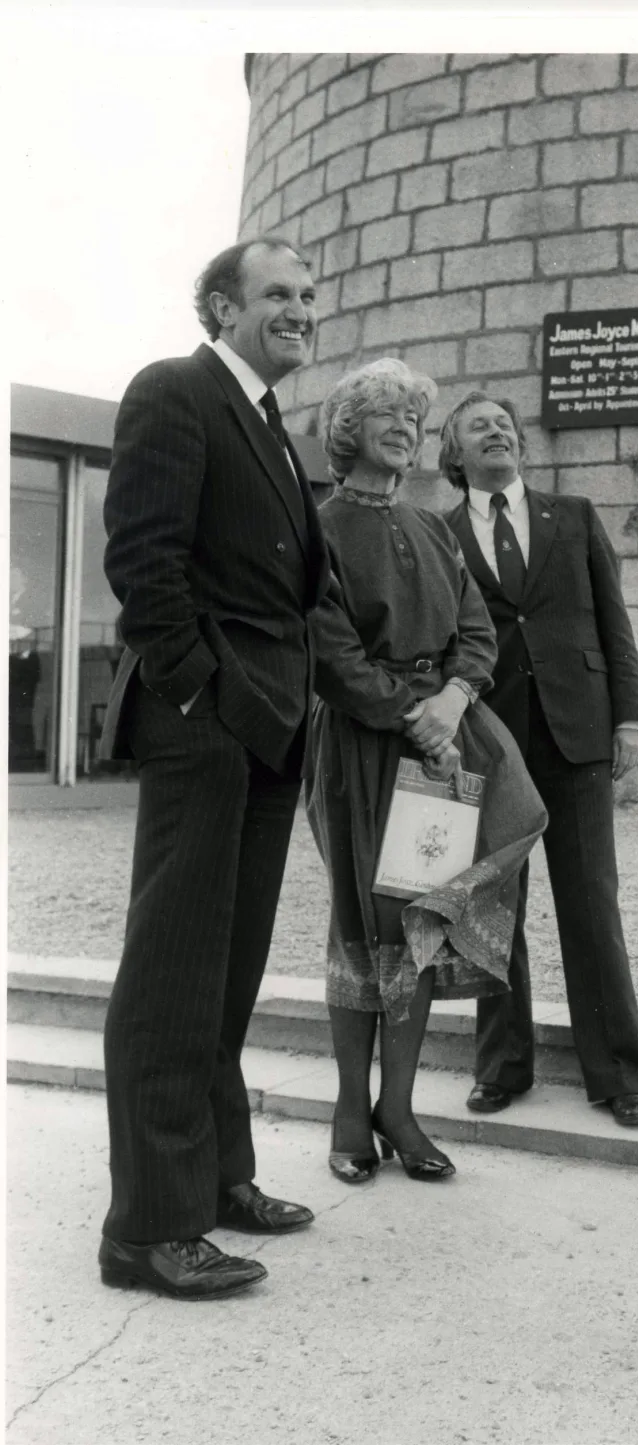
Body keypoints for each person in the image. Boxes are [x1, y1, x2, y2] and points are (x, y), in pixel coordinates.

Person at [97, 238, 329, 1300]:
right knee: (172, 976)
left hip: (271, 729)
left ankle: (219, 1176)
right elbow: (143, 564)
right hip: (210, 724)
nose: (300, 309)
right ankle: (149, 1226)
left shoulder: (276, 426)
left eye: (308, 297)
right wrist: (204, 696)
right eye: (278, 293)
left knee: (226, 976)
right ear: (222, 307)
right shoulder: (175, 392)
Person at [306, 360, 546, 1185]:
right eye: (387, 414)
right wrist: (412, 715)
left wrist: (451, 697)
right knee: (361, 922)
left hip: (439, 744)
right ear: (349, 430)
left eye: (414, 417)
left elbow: (475, 630)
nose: (406, 427)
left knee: (417, 921)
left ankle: (398, 1109)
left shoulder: (434, 527)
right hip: (362, 749)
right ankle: (348, 1110)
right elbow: (328, 649)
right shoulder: (322, 527)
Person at [440, 393, 638, 1127]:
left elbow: (613, 619)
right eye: (479, 426)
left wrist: (629, 715)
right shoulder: (438, 534)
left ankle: (620, 1074)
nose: (497, 430)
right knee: (492, 904)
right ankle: (502, 1066)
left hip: (579, 732)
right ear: (454, 452)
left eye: (504, 423)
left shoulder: (573, 515)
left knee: (592, 904)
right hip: (489, 738)